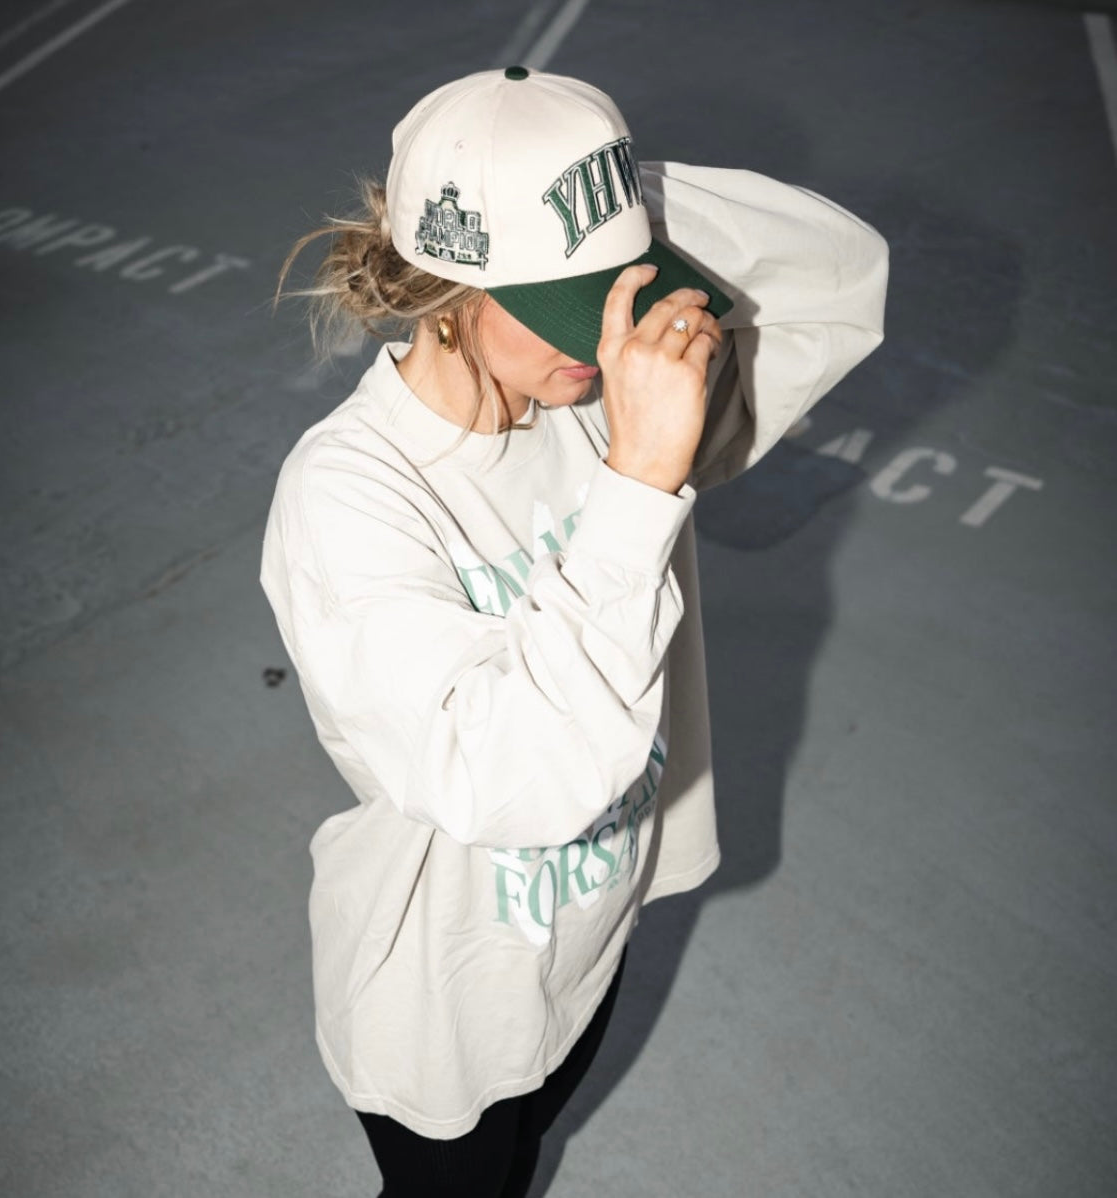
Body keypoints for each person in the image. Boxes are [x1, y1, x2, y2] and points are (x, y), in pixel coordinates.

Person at [259, 66, 888, 1198]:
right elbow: (515, 776)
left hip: (592, 937)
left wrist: (600, 200)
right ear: (445, 285)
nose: (602, 342)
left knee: (529, 1156)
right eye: (563, 300)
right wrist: (639, 483)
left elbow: (840, 279)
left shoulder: (587, 393)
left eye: (614, 291)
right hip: (444, 995)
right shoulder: (348, 494)